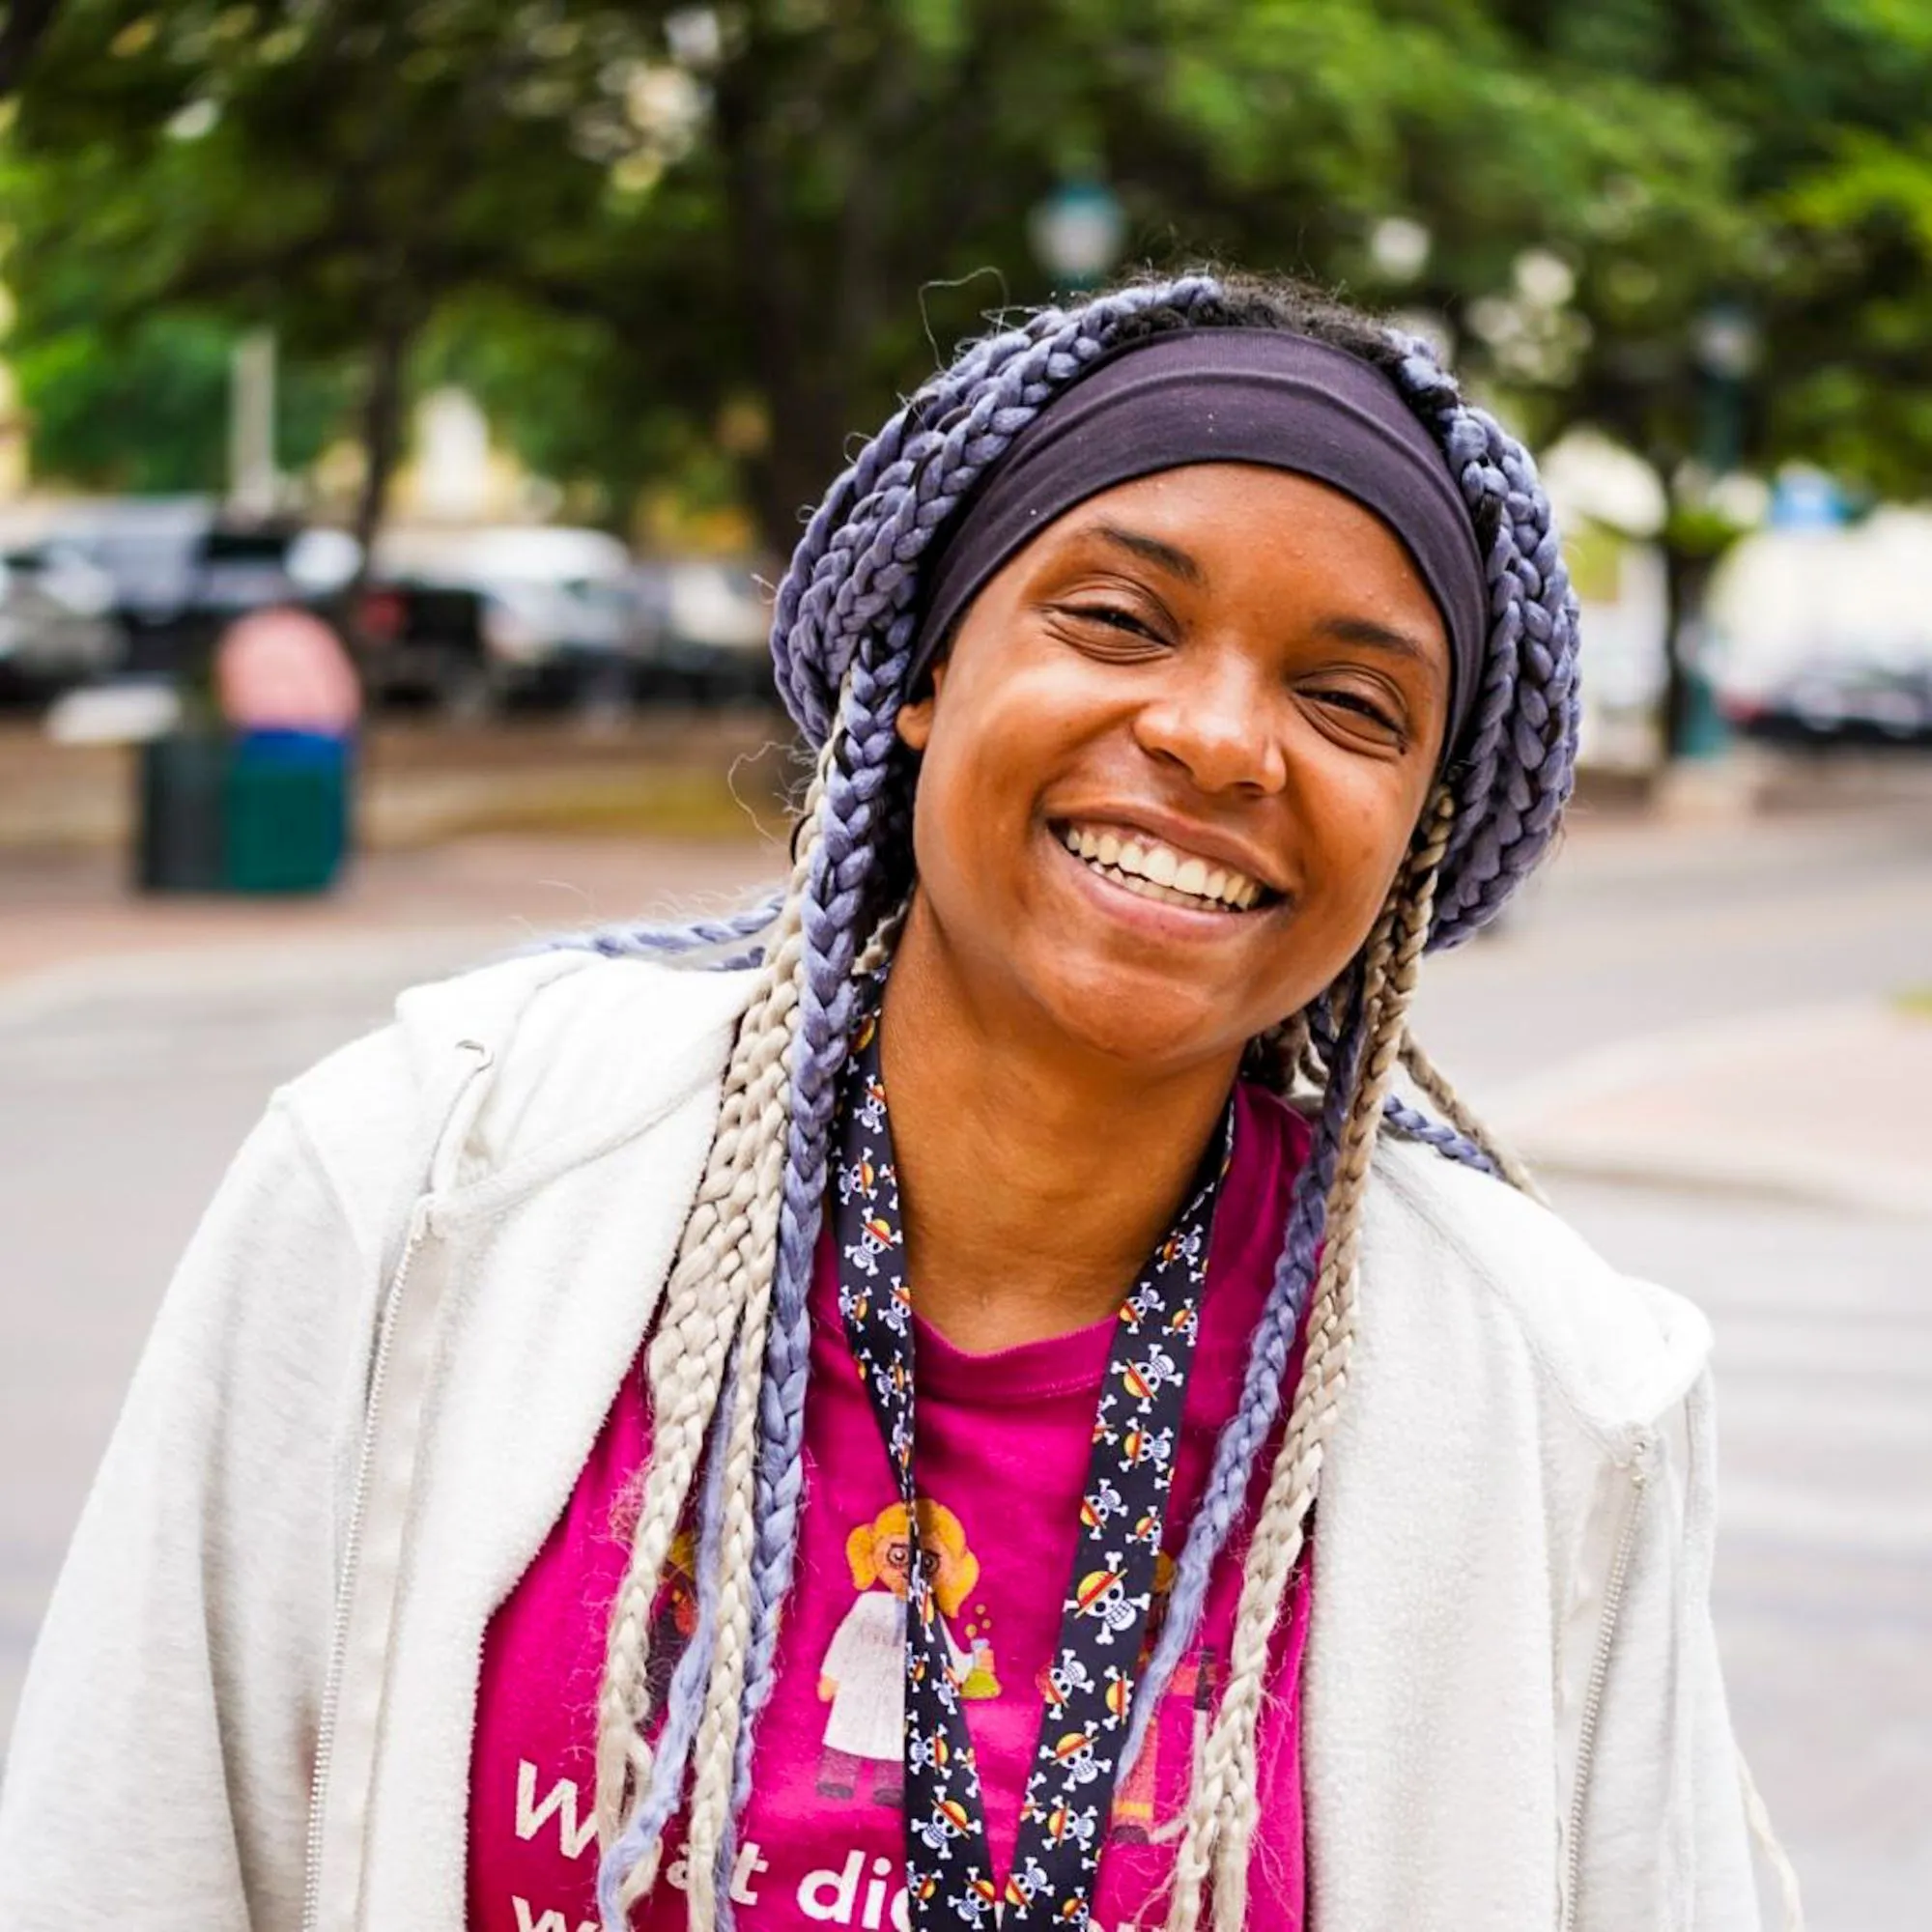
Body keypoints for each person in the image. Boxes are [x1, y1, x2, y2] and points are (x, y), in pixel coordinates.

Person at [0, 274, 1796, 1932]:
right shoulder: (429, 1176)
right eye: (1118, 619)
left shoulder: (1554, 1393)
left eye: (1351, 702)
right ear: (927, 669)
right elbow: (124, 1854)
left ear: (1417, 830)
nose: (1218, 738)